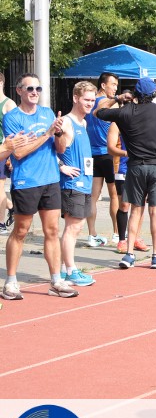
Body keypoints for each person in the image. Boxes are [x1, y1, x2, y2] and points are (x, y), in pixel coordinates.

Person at [96, 77, 156, 269]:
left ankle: (129, 254)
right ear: (154, 94)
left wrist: (117, 98)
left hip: (135, 167)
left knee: (135, 210)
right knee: (155, 210)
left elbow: (98, 111)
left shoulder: (125, 112)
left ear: (134, 93)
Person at [2, 73, 77, 299]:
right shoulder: (12, 118)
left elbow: (60, 148)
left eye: (38, 89)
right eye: (30, 88)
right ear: (19, 91)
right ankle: (11, 282)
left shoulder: (47, 113)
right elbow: (19, 152)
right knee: (21, 231)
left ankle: (56, 280)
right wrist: (46, 133)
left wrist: (59, 133)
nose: (35, 92)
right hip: (26, 181)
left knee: (52, 231)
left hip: (50, 179)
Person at [57, 81, 101, 287]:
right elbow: (48, 148)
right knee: (73, 226)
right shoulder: (66, 122)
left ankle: (64, 268)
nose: (90, 104)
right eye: (86, 100)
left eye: (92, 100)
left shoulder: (83, 123)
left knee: (78, 226)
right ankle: (70, 270)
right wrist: (61, 166)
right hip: (72, 183)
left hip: (85, 182)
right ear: (76, 98)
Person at [85, 72, 123, 246]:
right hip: (108, 154)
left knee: (93, 196)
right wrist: (117, 99)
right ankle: (117, 233)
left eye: (116, 85)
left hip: (91, 154)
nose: (115, 88)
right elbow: (103, 106)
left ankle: (92, 235)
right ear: (103, 85)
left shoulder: (87, 102)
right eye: (113, 84)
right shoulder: (104, 102)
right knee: (114, 195)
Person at [106, 117, 150, 254]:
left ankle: (136, 237)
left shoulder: (144, 119)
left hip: (141, 167)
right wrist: (127, 153)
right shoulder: (117, 123)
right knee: (124, 204)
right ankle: (122, 240)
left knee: (140, 204)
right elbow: (111, 148)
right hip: (123, 168)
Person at [0, 72, 16, 233]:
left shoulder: (9, 104)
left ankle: (1, 224)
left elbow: (15, 131)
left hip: (3, 150)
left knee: (0, 187)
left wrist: (11, 155)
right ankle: (11, 206)